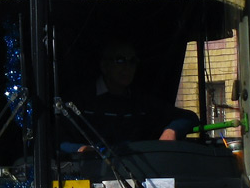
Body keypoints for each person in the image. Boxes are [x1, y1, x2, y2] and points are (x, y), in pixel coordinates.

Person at [63, 39, 197, 153]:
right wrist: (80, 149)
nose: (127, 67)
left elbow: (188, 117)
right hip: (93, 173)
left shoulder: (141, 102)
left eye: (132, 61)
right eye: (120, 60)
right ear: (104, 66)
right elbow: (56, 141)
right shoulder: (79, 100)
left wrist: (171, 130)